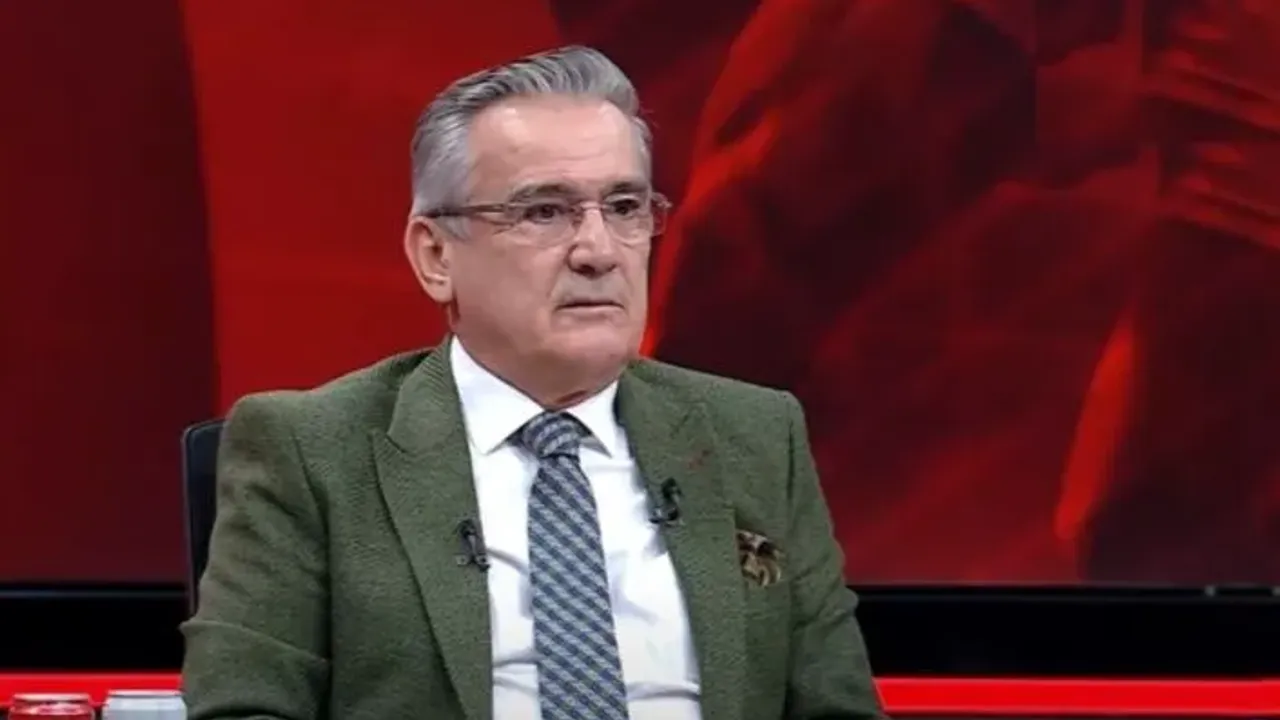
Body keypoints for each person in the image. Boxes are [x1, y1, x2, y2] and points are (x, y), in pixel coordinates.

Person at [180, 45, 886, 720]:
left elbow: (836, 707)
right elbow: (244, 708)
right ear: (435, 256)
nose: (598, 251)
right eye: (544, 211)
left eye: (625, 207)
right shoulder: (310, 451)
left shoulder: (756, 436)